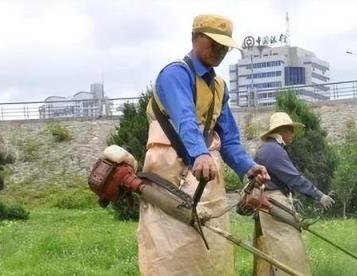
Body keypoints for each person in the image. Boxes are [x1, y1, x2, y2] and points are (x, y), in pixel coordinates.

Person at [138, 14, 270, 276]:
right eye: (213, 43)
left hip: (206, 176)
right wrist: (199, 153)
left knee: (212, 248)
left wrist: (248, 167)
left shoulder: (219, 86)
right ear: (195, 38)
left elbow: (229, 139)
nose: (219, 51)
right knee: (171, 248)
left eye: (224, 46)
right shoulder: (175, 73)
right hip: (168, 172)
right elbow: (185, 118)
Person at [252, 112, 335, 276]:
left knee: (276, 252)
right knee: (287, 251)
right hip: (273, 203)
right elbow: (294, 178)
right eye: (291, 130)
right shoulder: (273, 151)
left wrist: (289, 197)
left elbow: (281, 179)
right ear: (284, 130)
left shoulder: (270, 148)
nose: (293, 134)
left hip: (272, 201)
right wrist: (319, 195)